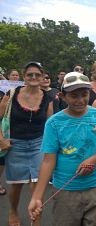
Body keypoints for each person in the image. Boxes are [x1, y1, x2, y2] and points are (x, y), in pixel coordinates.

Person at [28, 71, 96, 226]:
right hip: (65, 192)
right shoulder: (54, 123)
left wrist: (94, 159)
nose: (80, 100)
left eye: (84, 94)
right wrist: (37, 197)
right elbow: (48, 161)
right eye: (74, 96)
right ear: (62, 96)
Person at [0, 61, 53, 226]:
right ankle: (13, 210)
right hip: (15, 145)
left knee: (37, 185)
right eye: (30, 74)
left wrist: (50, 148)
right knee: (16, 187)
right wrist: (1, 140)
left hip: (38, 144)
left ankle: (35, 220)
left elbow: (50, 124)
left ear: (43, 76)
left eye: (37, 74)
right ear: (24, 76)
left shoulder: (47, 98)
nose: (34, 77)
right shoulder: (11, 93)